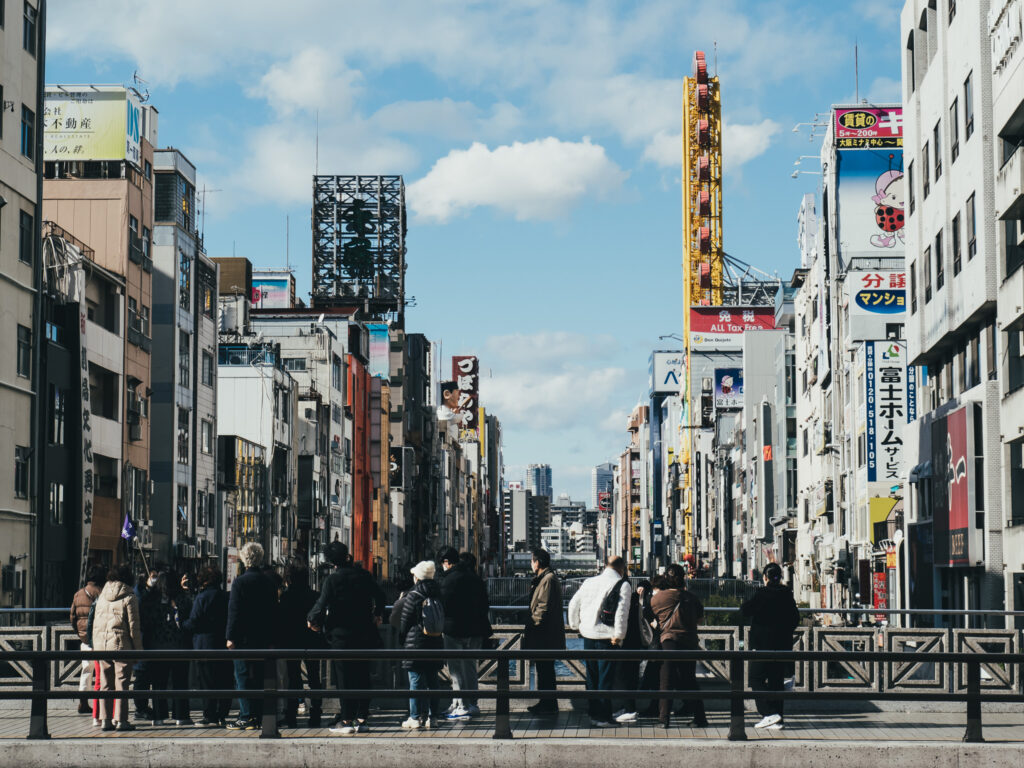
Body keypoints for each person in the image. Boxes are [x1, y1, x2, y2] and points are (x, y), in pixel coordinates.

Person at [307, 541, 386, 735]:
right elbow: (381, 596)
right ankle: (362, 718)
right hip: (365, 633)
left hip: (341, 636)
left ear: (332, 562)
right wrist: (377, 614)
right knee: (362, 676)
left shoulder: (332, 581)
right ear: (347, 557)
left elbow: (320, 605)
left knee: (345, 678)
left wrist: (311, 620)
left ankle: (346, 720)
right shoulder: (364, 576)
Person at [567, 555, 631, 727]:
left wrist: (575, 625)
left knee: (592, 676)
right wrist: (619, 635)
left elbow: (573, 604)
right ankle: (604, 717)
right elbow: (622, 613)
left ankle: (594, 713)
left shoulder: (589, 581)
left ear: (605, 566)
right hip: (607, 636)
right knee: (605, 678)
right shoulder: (622, 584)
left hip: (588, 634)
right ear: (621, 568)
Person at [742, 562, 801, 730]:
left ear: (765, 578)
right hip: (783, 644)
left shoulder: (762, 594)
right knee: (776, 681)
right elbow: (795, 619)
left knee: (755, 677)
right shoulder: (786, 594)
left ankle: (768, 713)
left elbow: (746, 610)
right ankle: (778, 719)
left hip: (763, 644)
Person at [226, 541, 278, 731]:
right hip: (263, 637)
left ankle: (246, 715)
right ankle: (258, 715)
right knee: (260, 678)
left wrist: (230, 636)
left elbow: (234, 611)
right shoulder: (269, 582)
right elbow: (274, 611)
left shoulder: (240, 582)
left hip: (243, 638)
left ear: (244, 559)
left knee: (242, 676)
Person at [650, 563, 707, 729]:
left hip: (669, 641)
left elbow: (652, 615)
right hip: (689, 641)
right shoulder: (691, 597)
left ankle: (664, 719)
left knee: (666, 680)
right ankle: (700, 717)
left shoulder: (658, 598)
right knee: (690, 680)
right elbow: (699, 619)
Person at [439, 549, 491, 720]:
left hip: (454, 629)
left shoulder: (448, 580)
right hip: (475, 629)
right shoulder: (475, 579)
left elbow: (443, 605)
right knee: (470, 666)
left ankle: (461, 704)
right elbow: (485, 604)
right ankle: (472, 704)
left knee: (455, 669)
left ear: (447, 562)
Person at [92, 564, 143, 732]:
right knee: (122, 683)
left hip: (102, 645)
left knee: (105, 683)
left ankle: (105, 720)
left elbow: (95, 624)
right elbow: (134, 627)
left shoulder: (102, 596)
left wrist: (96, 645)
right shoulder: (129, 596)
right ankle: (121, 720)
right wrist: (138, 650)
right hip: (121, 645)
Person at [396, 561, 445, 729]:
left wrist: (402, 638)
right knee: (433, 680)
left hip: (416, 642)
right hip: (435, 641)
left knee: (415, 681)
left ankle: (415, 717)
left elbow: (405, 620)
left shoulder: (414, 594)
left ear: (417, 577)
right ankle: (433, 717)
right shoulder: (438, 592)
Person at [278, 562, 325, 729]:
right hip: (312, 640)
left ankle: (291, 713)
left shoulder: (285, 597)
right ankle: (316, 711)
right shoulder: (315, 596)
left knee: (293, 676)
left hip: (291, 640)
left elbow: (281, 621)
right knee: (314, 676)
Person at [184, 566, 232, 726]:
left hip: (204, 644)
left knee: (207, 681)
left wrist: (182, 624)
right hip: (222, 643)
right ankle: (222, 713)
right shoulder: (226, 596)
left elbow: (194, 621)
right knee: (224, 680)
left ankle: (209, 715)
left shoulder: (202, 598)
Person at [523, 548, 565, 716]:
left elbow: (543, 606)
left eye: (532, 561)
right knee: (544, 670)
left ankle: (548, 703)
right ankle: (547, 702)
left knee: (545, 669)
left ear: (537, 562)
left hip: (544, 634)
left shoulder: (547, 579)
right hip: (547, 634)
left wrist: (534, 623)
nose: (531, 564)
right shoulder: (546, 578)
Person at [612, 573, 654, 723]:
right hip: (634, 643)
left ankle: (629, 709)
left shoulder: (622, 598)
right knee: (629, 676)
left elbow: (645, 584)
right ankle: (627, 707)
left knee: (624, 676)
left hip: (623, 642)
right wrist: (643, 585)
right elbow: (645, 585)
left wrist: (643, 585)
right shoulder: (633, 597)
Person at [70, 565, 105, 715]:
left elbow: (72, 616)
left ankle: (83, 702)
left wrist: (79, 632)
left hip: (84, 639)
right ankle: (101, 705)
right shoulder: (102, 593)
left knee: (86, 670)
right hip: (98, 637)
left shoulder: (78, 594)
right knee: (101, 672)